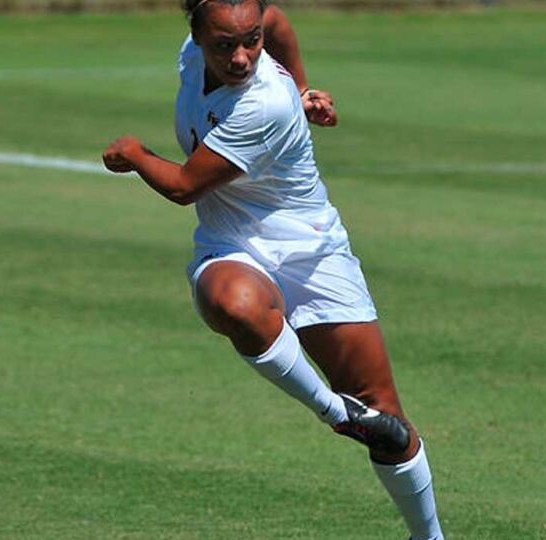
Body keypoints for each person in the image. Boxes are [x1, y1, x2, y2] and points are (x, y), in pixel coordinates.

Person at [102, 2, 444, 538]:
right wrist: (307, 88)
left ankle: (430, 537)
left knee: (388, 417)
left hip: (311, 249)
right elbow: (279, 19)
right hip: (232, 242)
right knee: (231, 303)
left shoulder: (262, 103)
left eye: (252, 41)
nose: (241, 57)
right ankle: (335, 412)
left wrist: (133, 152)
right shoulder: (195, 55)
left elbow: (183, 186)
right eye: (224, 44)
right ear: (194, 34)